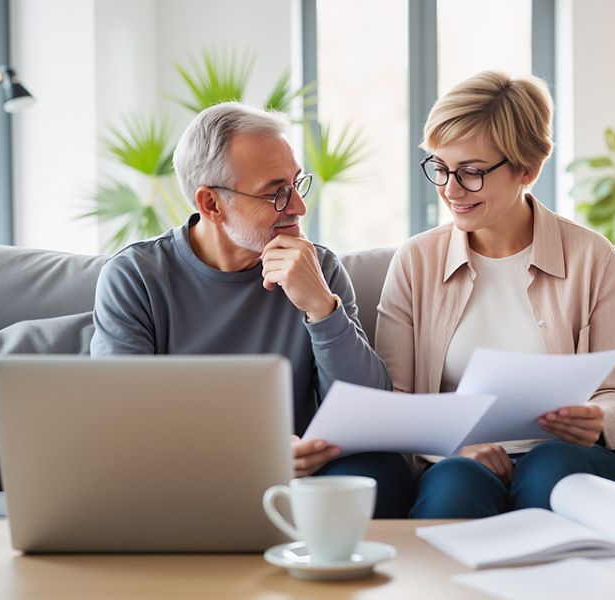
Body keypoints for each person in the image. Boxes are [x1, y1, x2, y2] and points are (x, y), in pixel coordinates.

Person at [90, 102, 415, 517]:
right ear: (211, 205)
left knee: (381, 472)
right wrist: (256, 457)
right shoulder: (136, 277)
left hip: (302, 476)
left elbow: (370, 412)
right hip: (188, 476)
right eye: (275, 192)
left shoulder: (319, 268)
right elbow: (123, 424)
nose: (298, 207)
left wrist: (321, 307)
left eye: (297, 184)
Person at [375, 71, 615, 518]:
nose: (450, 190)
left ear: (527, 168)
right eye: (440, 168)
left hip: (571, 457)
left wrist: (599, 420)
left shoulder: (590, 256)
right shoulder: (415, 262)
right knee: (453, 485)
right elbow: (396, 402)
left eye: (471, 173)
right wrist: (452, 448)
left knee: (549, 469)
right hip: (459, 457)